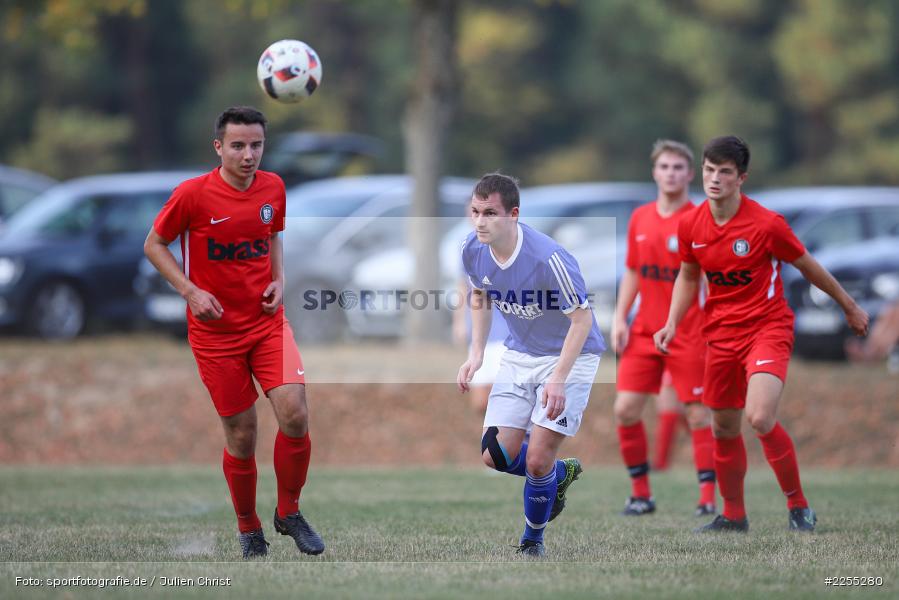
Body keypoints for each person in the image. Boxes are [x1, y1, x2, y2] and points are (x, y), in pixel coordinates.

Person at [654, 135, 869, 532]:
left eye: (724, 172)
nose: (714, 179)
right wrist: (672, 322)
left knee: (760, 415)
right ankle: (734, 515)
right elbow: (688, 275)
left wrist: (849, 306)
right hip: (718, 334)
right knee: (723, 427)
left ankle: (799, 506)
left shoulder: (766, 224)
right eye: (709, 170)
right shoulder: (691, 224)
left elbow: (808, 266)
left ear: (741, 179)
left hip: (766, 329)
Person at [144, 106, 325, 558]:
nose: (249, 155)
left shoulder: (273, 188)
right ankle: (249, 528)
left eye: (256, 145)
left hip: (267, 326)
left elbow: (273, 236)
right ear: (219, 147)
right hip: (216, 335)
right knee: (242, 436)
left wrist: (280, 280)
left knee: (295, 413)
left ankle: (289, 512)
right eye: (239, 145)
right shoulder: (193, 195)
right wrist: (189, 291)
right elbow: (154, 244)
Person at [457, 173, 606, 557]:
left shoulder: (548, 258)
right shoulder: (473, 250)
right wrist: (475, 354)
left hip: (569, 356)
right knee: (495, 454)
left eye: (490, 213)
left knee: (537, 459)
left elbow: (582, 320)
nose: (480, 221)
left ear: (514, 214)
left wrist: (558, 379)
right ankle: (561, 474)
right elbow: (479, 296)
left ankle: (531, 542)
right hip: (519, 353)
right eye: (475, 211)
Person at [612, 140, 716, 517]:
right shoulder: (640, 217)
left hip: (690, 332)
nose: (671, 173)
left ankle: (707, 499)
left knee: (698, 415)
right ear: (654, 172)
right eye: (664, 167)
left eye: (678, 168)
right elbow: (634, 271)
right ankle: (641, 494)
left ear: (690, 174)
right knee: (625, 409)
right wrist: (620, 316)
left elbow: (708, 279)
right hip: (644, 331)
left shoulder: (700, 218)